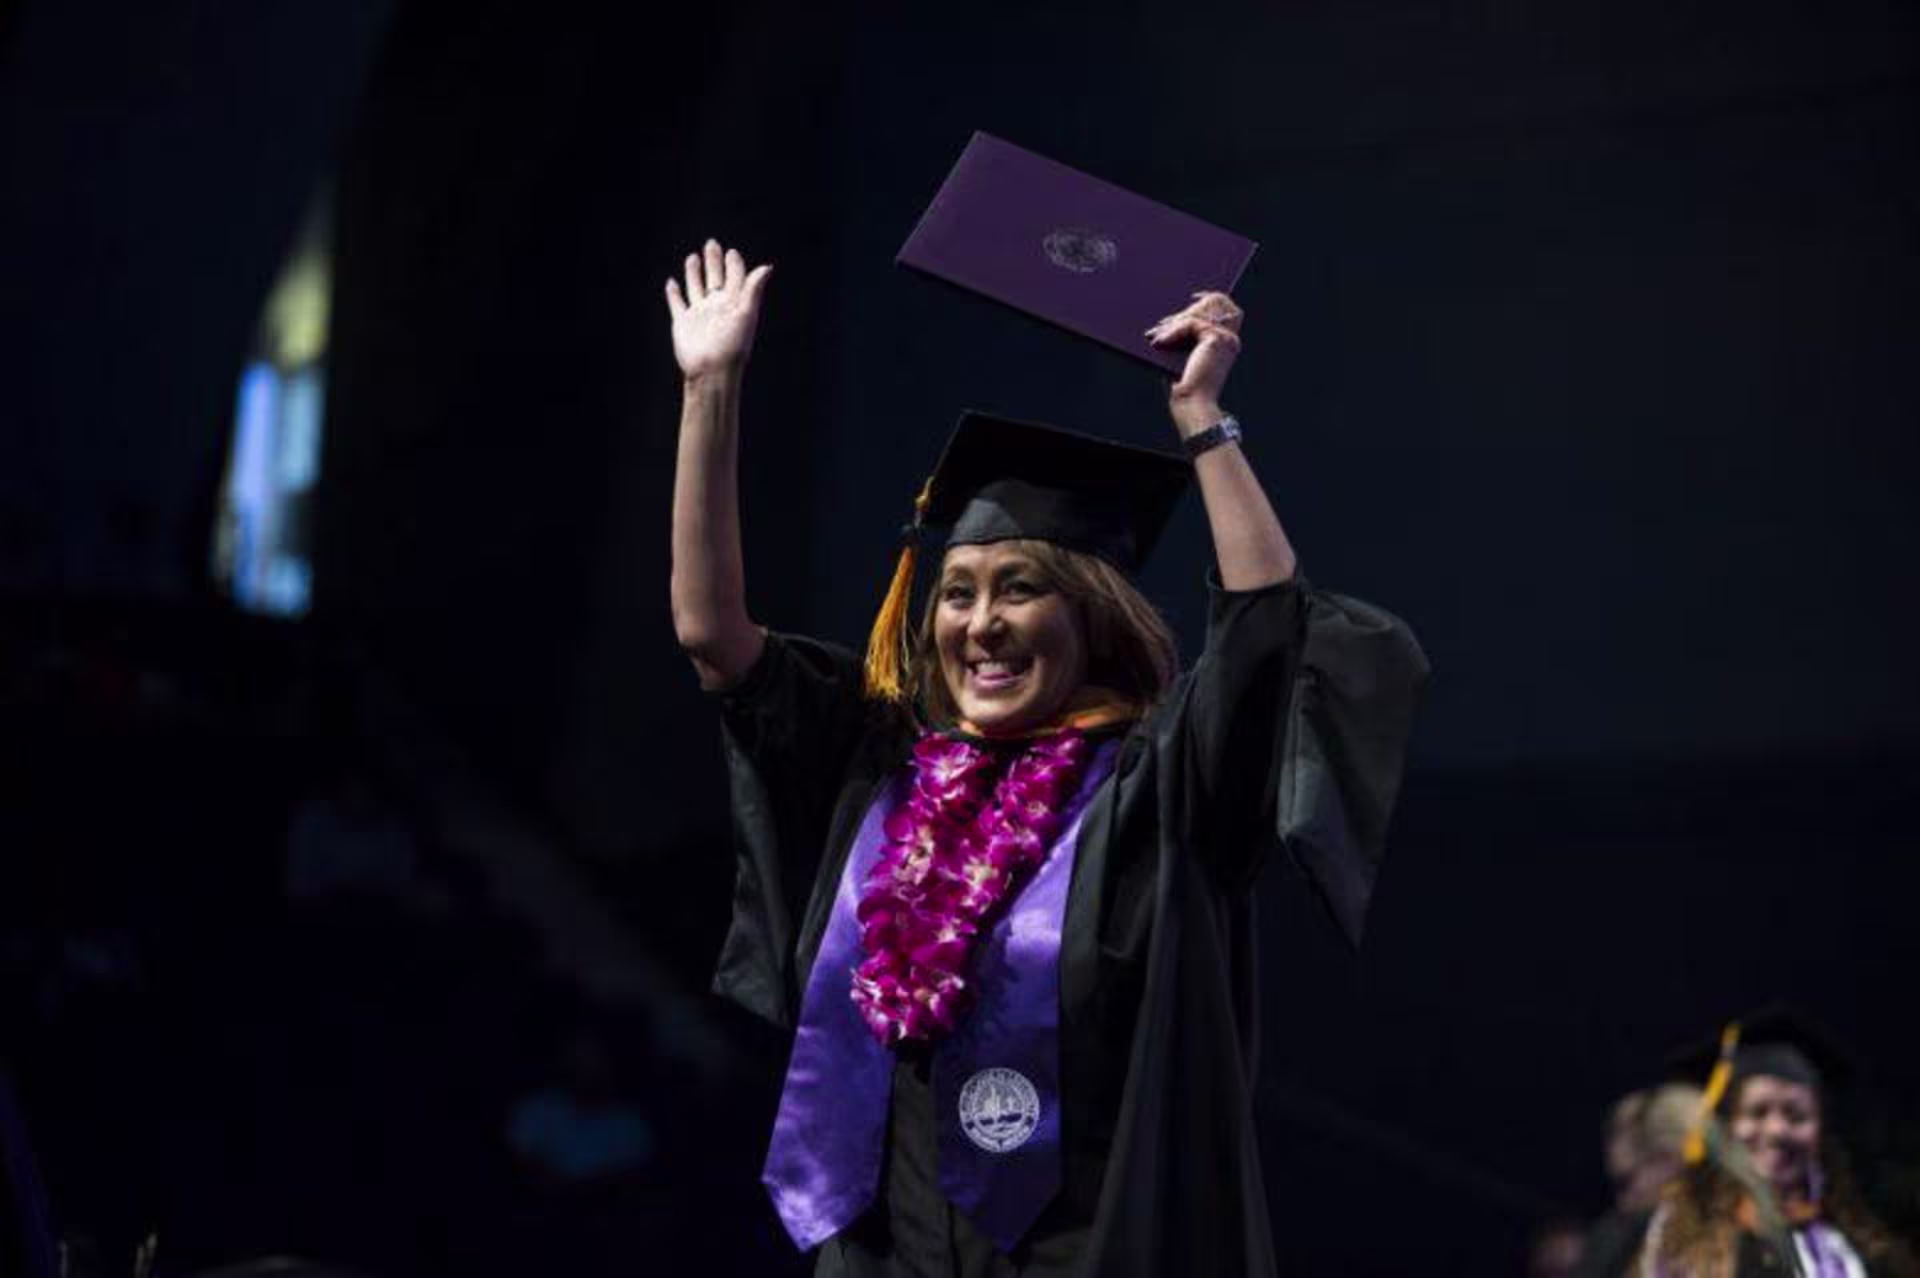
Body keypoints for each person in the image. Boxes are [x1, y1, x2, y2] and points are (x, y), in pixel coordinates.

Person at [667, 238, 1427, 1276]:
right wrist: (712, 389)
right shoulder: (878, 770)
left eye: (1020, 588)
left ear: (1091, 618)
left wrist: (1203, 422)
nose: (981, 622)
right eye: (959, 592)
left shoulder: (1159, 789)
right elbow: (716, 638)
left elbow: (1261, 628)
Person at [1631, 1009, 1916, 1277]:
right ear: (1728, 1125)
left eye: (1796, 1115)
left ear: (1822, 1132)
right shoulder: (1680, 1240)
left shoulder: (1864, 1247)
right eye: (1757, 1112)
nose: (1777, 1130)